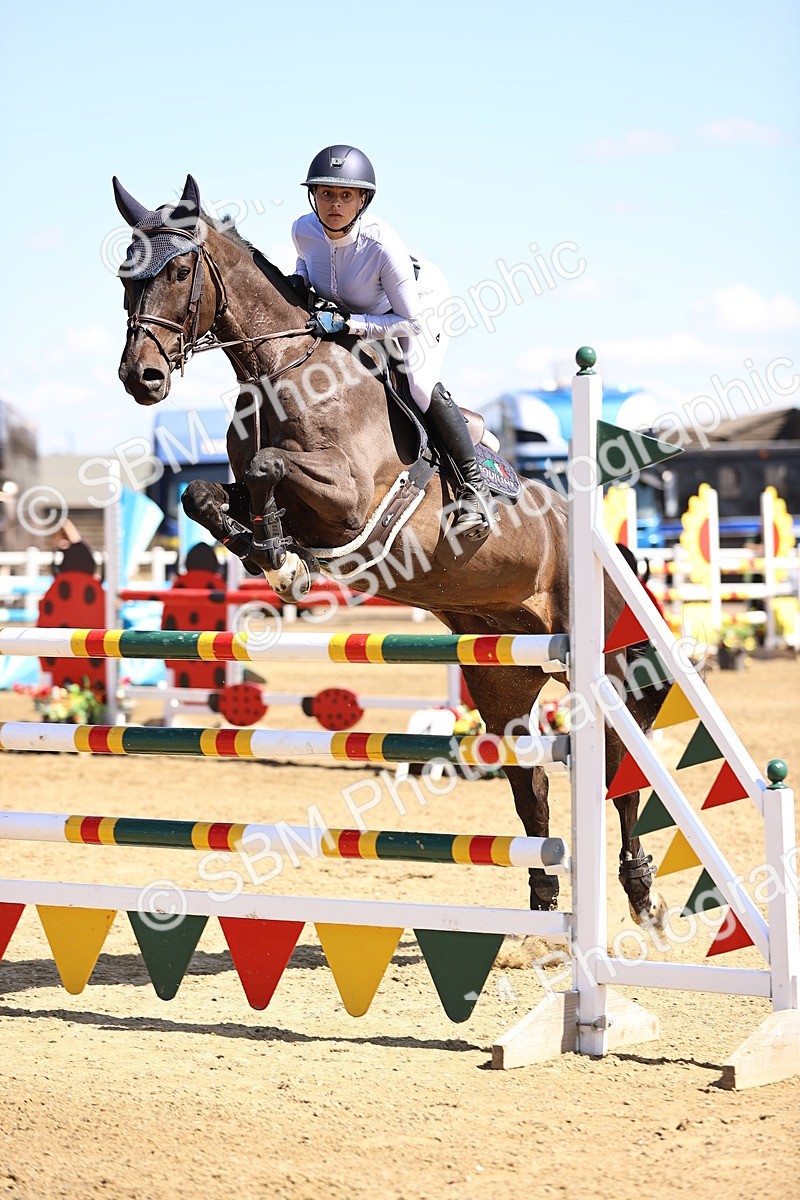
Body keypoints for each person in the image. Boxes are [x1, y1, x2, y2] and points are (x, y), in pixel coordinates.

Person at [290, 144, 493, 540]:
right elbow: (304, 262)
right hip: (358, 312)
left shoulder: (381, 244)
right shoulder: (302, 229)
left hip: (418, 305)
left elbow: (410, 322)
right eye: (326, 193)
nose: (335, 204)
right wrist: (298, 281)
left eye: (346, 195)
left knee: (417, 383)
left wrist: (351, 325)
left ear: (362, 199)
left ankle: (474, 489)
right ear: (313, 196)